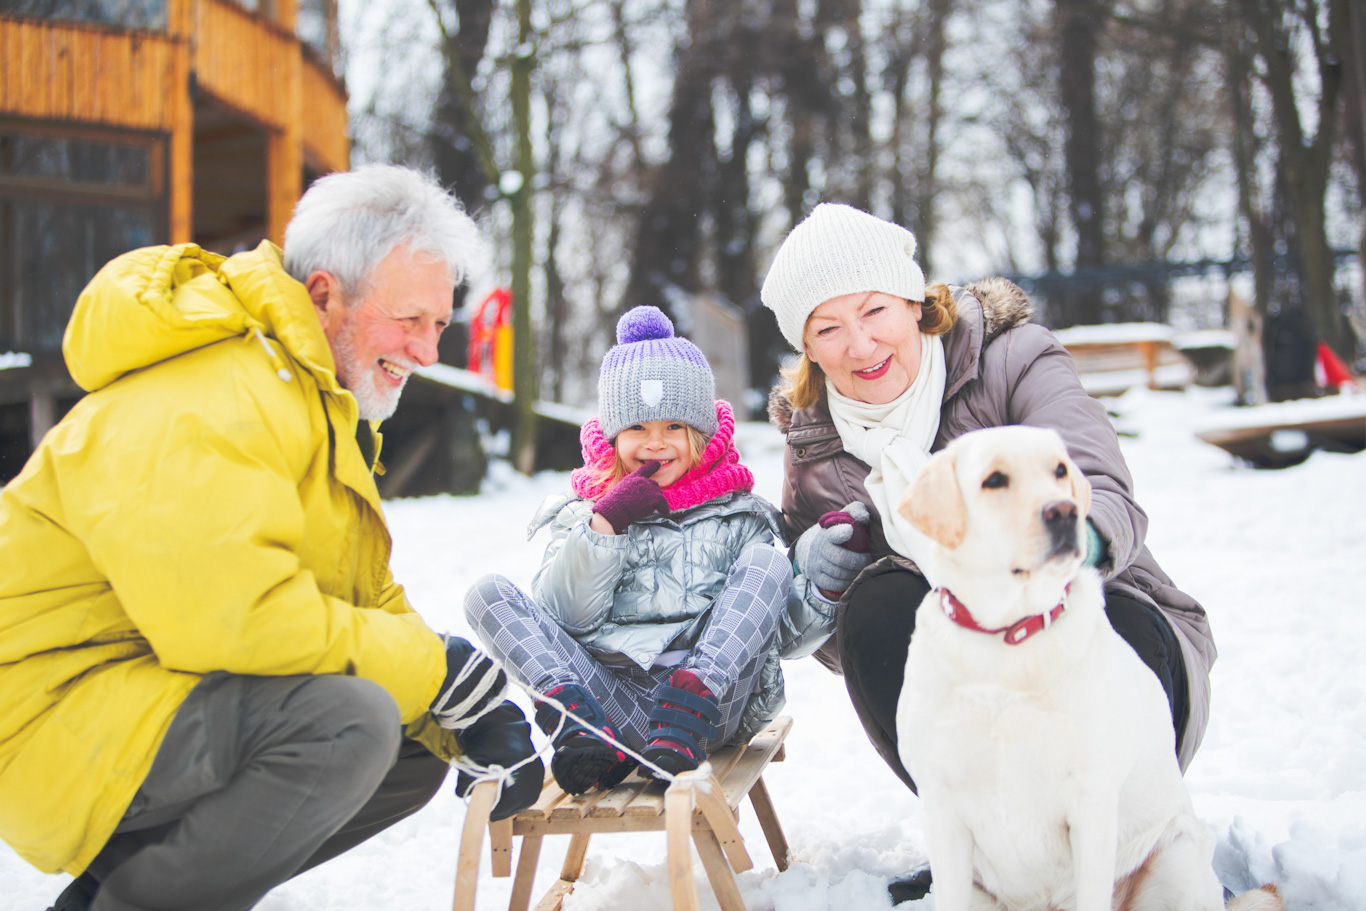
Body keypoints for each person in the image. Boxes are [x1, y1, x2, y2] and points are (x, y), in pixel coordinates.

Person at [0, 164, 543, 911]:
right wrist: (429, 669)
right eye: (408, 320)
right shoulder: (210, 393)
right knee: (348, 724)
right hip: (48, 716)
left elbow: (356, 594)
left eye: (439, 325)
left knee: (410, 740)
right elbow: (238, 618)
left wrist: (461, 708)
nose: (426, 352)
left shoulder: (307, 397)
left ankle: (121, 892)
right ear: (324, 293)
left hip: (147, 691)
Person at [759, 203, 1215, 902]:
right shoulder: (815, 452)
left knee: (1100, 612)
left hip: (1113, 641)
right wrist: (814, 588)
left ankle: (1110, 859)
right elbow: (844, 648)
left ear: (915, 302)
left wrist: (1064, 545)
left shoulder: (1013, 358)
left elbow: (1102, 484)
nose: (859, 342)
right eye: (828, 327)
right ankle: (988, 849)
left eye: (874, 309)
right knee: (879, 603)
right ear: (808, 348)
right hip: (970, 686)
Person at [465, 306, 795, 795]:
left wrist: (826, 583)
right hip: (610, 706)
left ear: (700, 436)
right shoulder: (586, 513)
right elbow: (566, 620)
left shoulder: (739, 513)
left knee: (769, 561)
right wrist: (605, 525)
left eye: (674, 428)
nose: (655, 444)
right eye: (637, 428)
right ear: (614, 435)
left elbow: (776, 629)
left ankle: (681, 718)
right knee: (485, 594)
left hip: (707, 712)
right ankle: (580, 729)